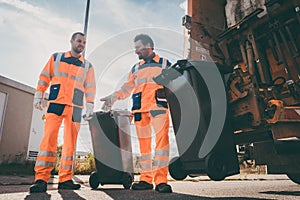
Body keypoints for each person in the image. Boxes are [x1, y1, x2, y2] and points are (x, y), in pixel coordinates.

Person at [101, 34, 172, 193]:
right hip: (139, 110)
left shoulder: (165, 63)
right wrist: (114, 97)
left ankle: (161, 181)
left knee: (162, 144)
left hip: (157, 107)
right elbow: (127, 88)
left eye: (138, 48)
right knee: (144, 147)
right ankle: (146, 179)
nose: (136, 51)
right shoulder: (135, 68)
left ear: (148, 46)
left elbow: (176, 85)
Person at [29, 32, 96, 193]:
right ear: (71, 41)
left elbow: (90, 87)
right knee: (48, 140)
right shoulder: (56, 58)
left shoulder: (87, 66)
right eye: (79, 41)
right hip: (56, 103)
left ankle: (65, 178)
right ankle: (41, 179)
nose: (81, 44)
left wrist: (90, 105)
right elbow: (44, 77)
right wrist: (39, 94)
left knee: (70, 143)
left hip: (76, 107)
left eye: (84, 42)